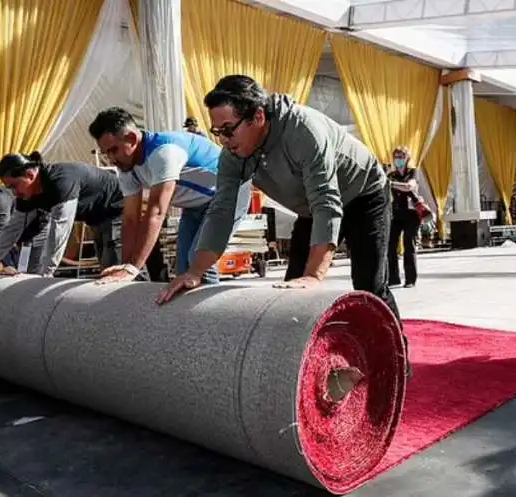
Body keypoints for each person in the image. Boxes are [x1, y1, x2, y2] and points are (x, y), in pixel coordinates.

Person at [154, 75, 409, 375]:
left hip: (364, 196)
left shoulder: (303, 131)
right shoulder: (235, 153)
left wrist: (315, 275)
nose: (223, 140)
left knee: (369, 283)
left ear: (258, 116)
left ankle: (395, 362)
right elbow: (221, 210)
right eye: (217, 132)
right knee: (290, 290)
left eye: (227, 130)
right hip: (311, 207)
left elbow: (327, 201)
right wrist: (195, 271)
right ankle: (301, 371)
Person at [88, 107, 251, 285]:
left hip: (230, 194)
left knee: (198, 264)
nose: (111, 159)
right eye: (106, 153)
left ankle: (210, 312)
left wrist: (133, 268)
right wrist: (125, 267)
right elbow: (130, 220)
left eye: (114, 150)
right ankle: (189, 311)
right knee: (183, 270)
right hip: (196, 205)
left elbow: (156, 213)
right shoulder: (126, 167)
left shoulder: (164, 152)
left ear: (132, 138)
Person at [0, 152, 140, 278]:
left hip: (117, 210)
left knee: (115, 268)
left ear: (30, 175)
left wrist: (44, 274)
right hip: (96, 218)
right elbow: (11, 230)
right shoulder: (28, 194)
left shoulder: (60, 182)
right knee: (106, 266)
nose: (13, 193)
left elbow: (59, 230)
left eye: (14, 186)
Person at [387, 146, 422, 288]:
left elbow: (409, 186)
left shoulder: (413, 172)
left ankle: (410, 279)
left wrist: (392, 184)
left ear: (407, 158)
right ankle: (393, 278)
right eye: (396, 157)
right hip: (395, 214)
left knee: (409, 245)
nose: (398, 160)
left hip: (411, 214)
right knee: (390, 246)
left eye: (401, 156)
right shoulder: (391, 175)